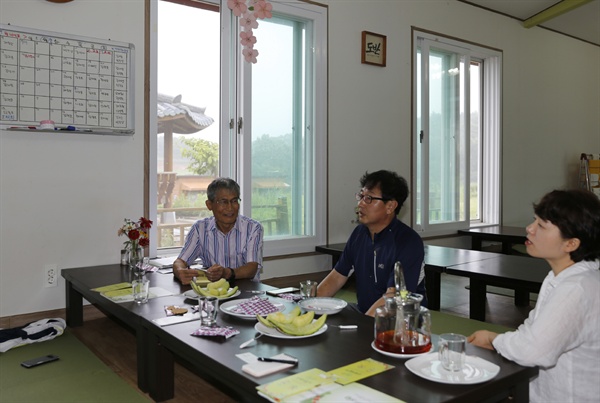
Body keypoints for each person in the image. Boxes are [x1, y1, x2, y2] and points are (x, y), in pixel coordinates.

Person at [468, 189, 600, 402]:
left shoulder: (577, 288)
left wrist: (495, 339)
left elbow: (531, 350)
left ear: (571, 244)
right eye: (534, 221)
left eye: (541, 226)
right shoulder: (561, 277)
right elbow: (532, 331)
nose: (529, 229)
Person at [317, 170, 426, 316]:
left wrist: (364, 325)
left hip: (401, 323)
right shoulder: (359, 234)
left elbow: (393, 298)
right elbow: (337, 277)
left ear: (390, 206)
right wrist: (309, 306)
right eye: (361, 196)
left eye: (369, 198)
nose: (360, 203)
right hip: (365, 313)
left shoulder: (408, 242)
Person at [173, 177, 264, 285]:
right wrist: (180, 272)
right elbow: (180, 261)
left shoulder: (253, 228)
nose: (230, 208)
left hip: (246, 293)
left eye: (234, 201)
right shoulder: (200, 229)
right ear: (209, 205)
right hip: (212, 292)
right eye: (223, 202)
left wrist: (227, 273)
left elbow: (251, 268)